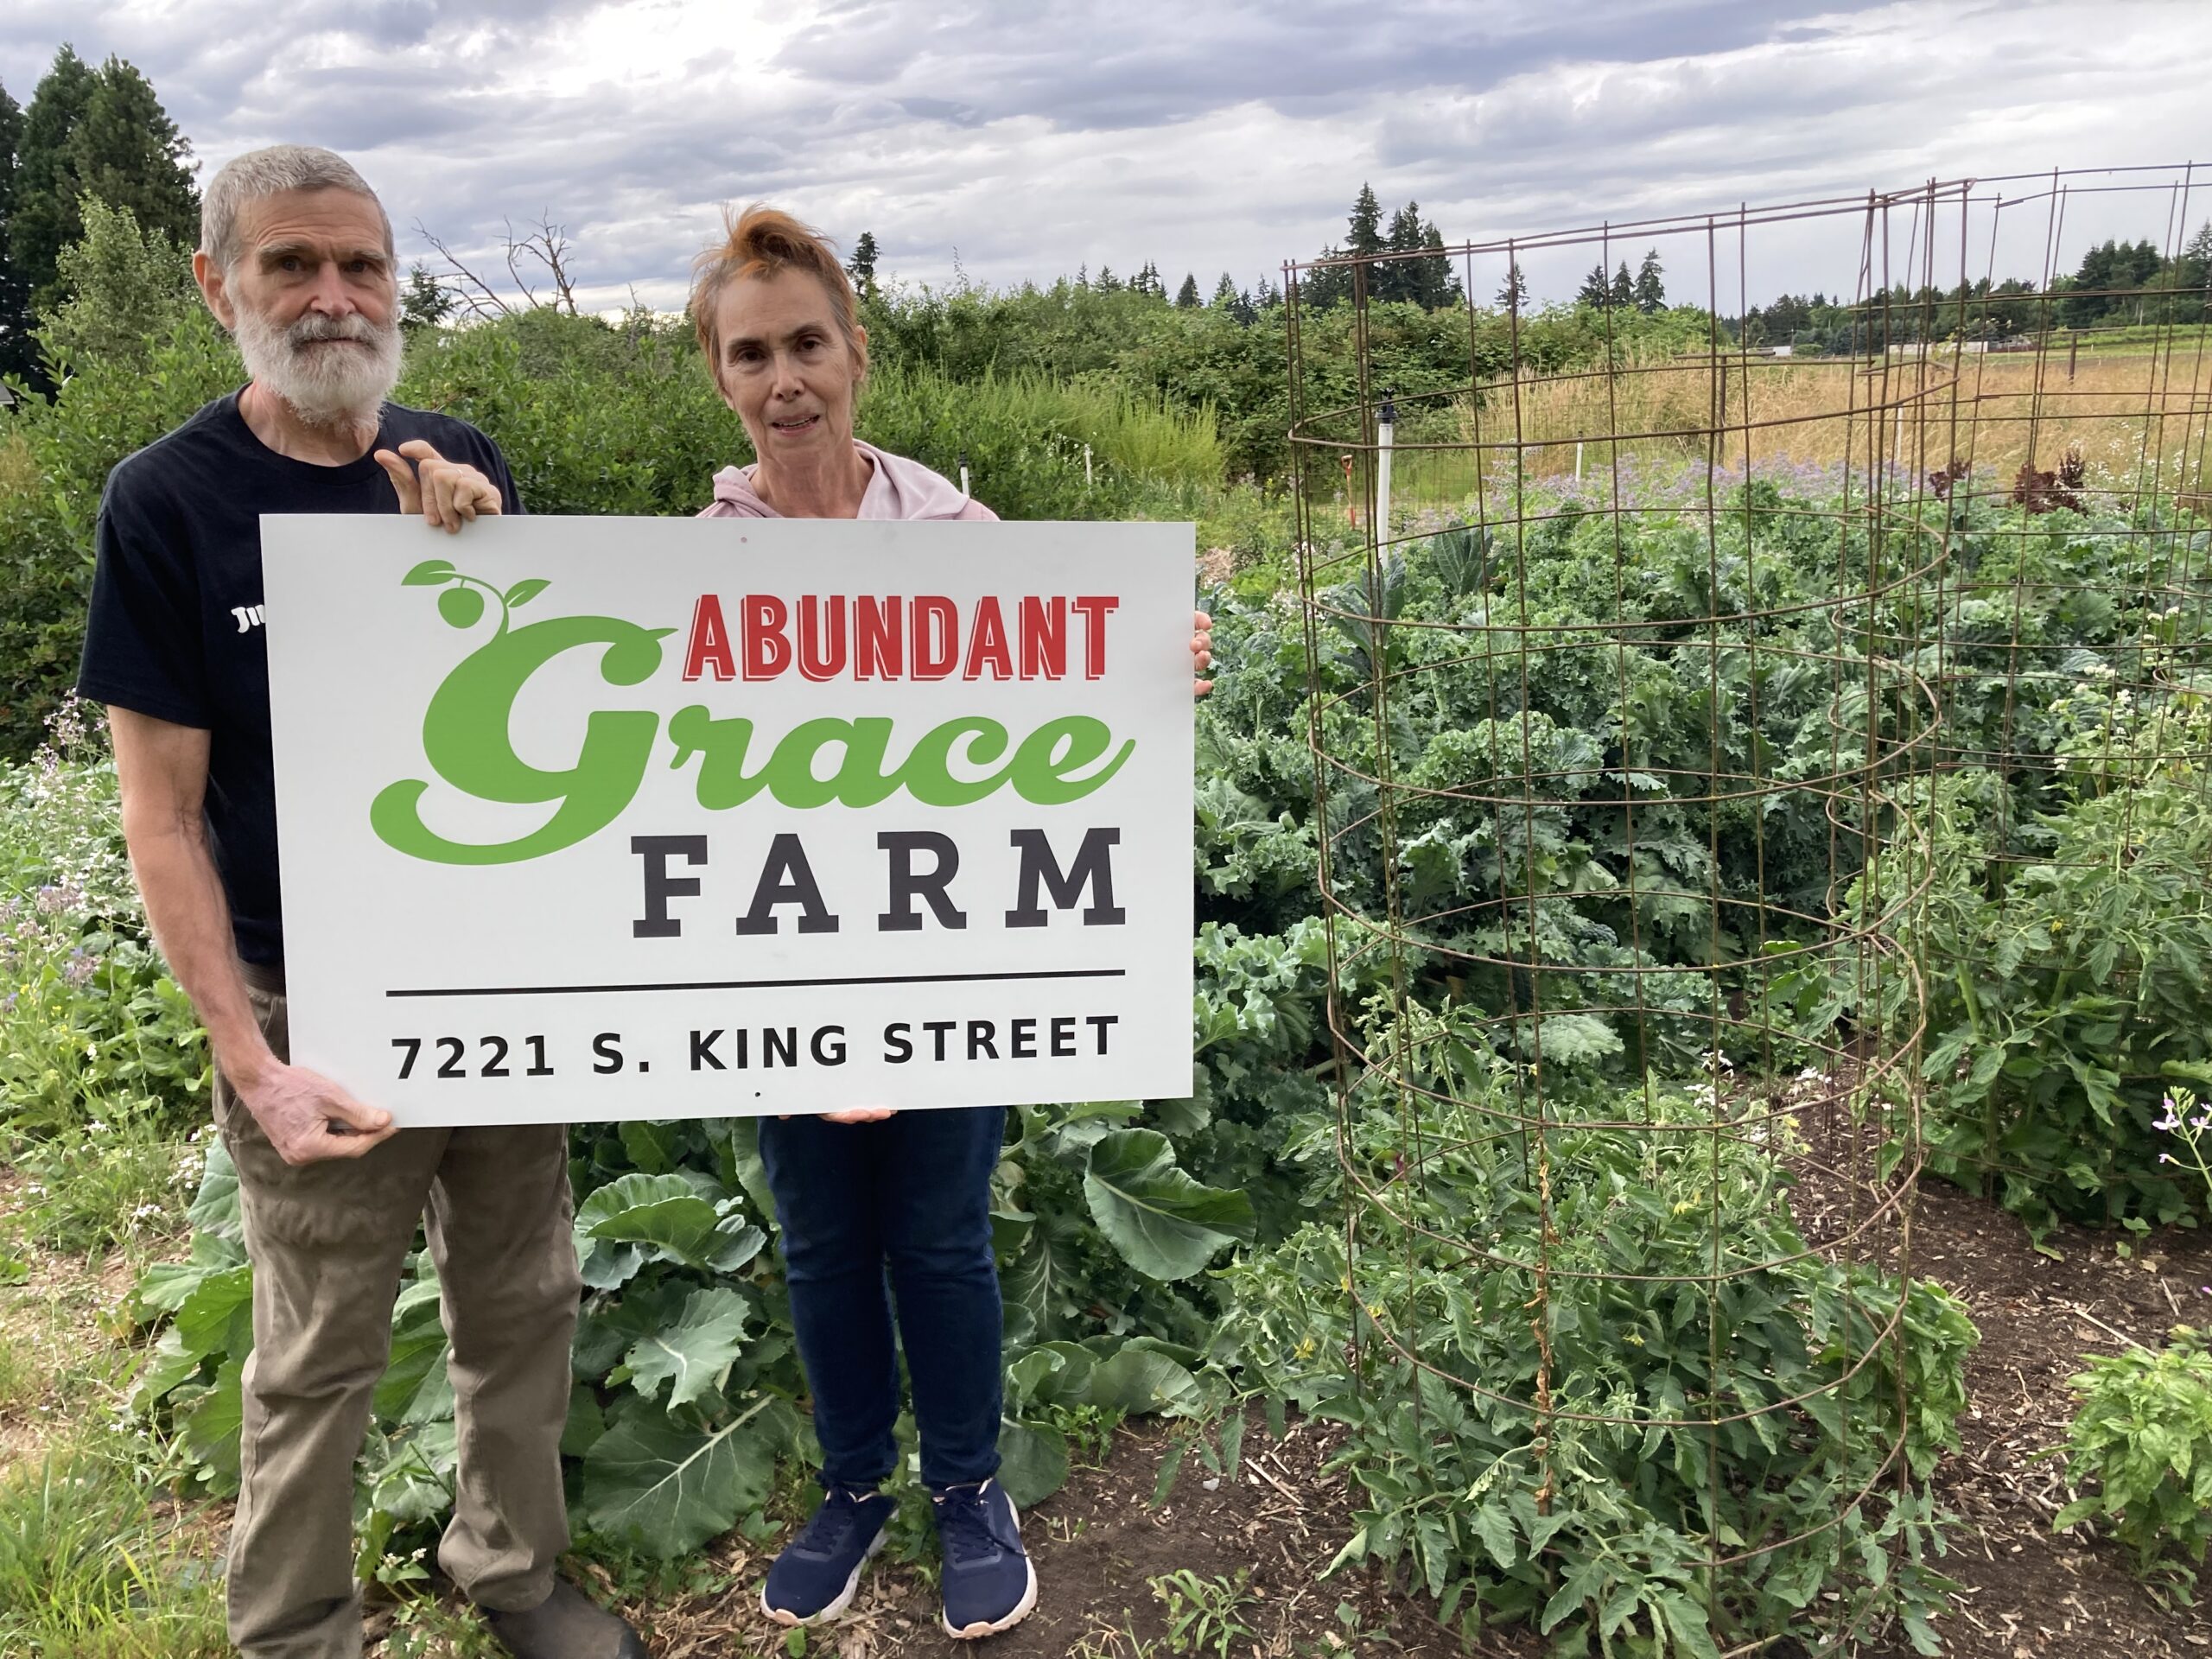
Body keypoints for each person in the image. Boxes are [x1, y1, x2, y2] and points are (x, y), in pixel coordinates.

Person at [75, 145, 647, 1659]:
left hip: (490, 970)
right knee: (318, 1342)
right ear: (220, 287)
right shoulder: (168, 503)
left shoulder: (458, 463)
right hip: (313, 998)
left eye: (363, 266)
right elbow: (163, 816)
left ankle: (513, 1570)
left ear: (398, 288)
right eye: (291, 264)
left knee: (524, 1298)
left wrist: (485, 544)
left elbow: (537, 721)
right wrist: (248, 1062)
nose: (333, 296)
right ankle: (296, 1628)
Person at [690, 207, 1211, 1640]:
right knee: (814, 1236)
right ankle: (854, 1486)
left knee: (936, 1233)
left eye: (807, 342)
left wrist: (1156, 670)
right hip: (780, 948)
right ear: (721, 378)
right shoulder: (691, 562)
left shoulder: (958, 532)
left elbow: (1062, 694)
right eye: (753, 353)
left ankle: (969, 1487)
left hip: (946, 940)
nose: (785, 375)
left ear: (856, 352)